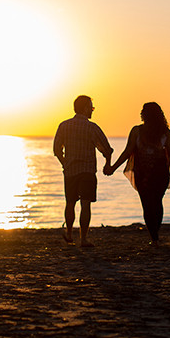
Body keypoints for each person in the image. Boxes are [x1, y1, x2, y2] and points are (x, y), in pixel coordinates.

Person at [105, 102, 170, 245]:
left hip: (143, 174)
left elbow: (127, 151)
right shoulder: (164, 132)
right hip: (159, 173)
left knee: (147, 204)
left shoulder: (138, 131)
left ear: (144, 114)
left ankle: (154, 236)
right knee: (157, 203)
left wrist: (113, 167)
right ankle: (155, 234)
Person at [53, 95, 113, 248]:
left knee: (70, 203)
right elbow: (106, 149)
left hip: (70, 170)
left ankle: (69, 234)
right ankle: (83, 239)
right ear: (85, 108)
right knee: (86, 205)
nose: (92, 111)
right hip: (87, 170)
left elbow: (56, 148)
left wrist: (64, 162)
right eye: (91, 108)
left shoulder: (64, 125)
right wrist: (108, 164)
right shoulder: (92, 127)